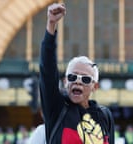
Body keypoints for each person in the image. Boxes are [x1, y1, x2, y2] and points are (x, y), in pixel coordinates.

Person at [39, 3, 115, 144]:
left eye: (86, 79)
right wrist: (51, 25)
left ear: (95, 86)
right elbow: (47, 71)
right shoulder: (57, 108)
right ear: (65, 81)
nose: (78, 81)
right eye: (73, 77)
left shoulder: (104, 115)